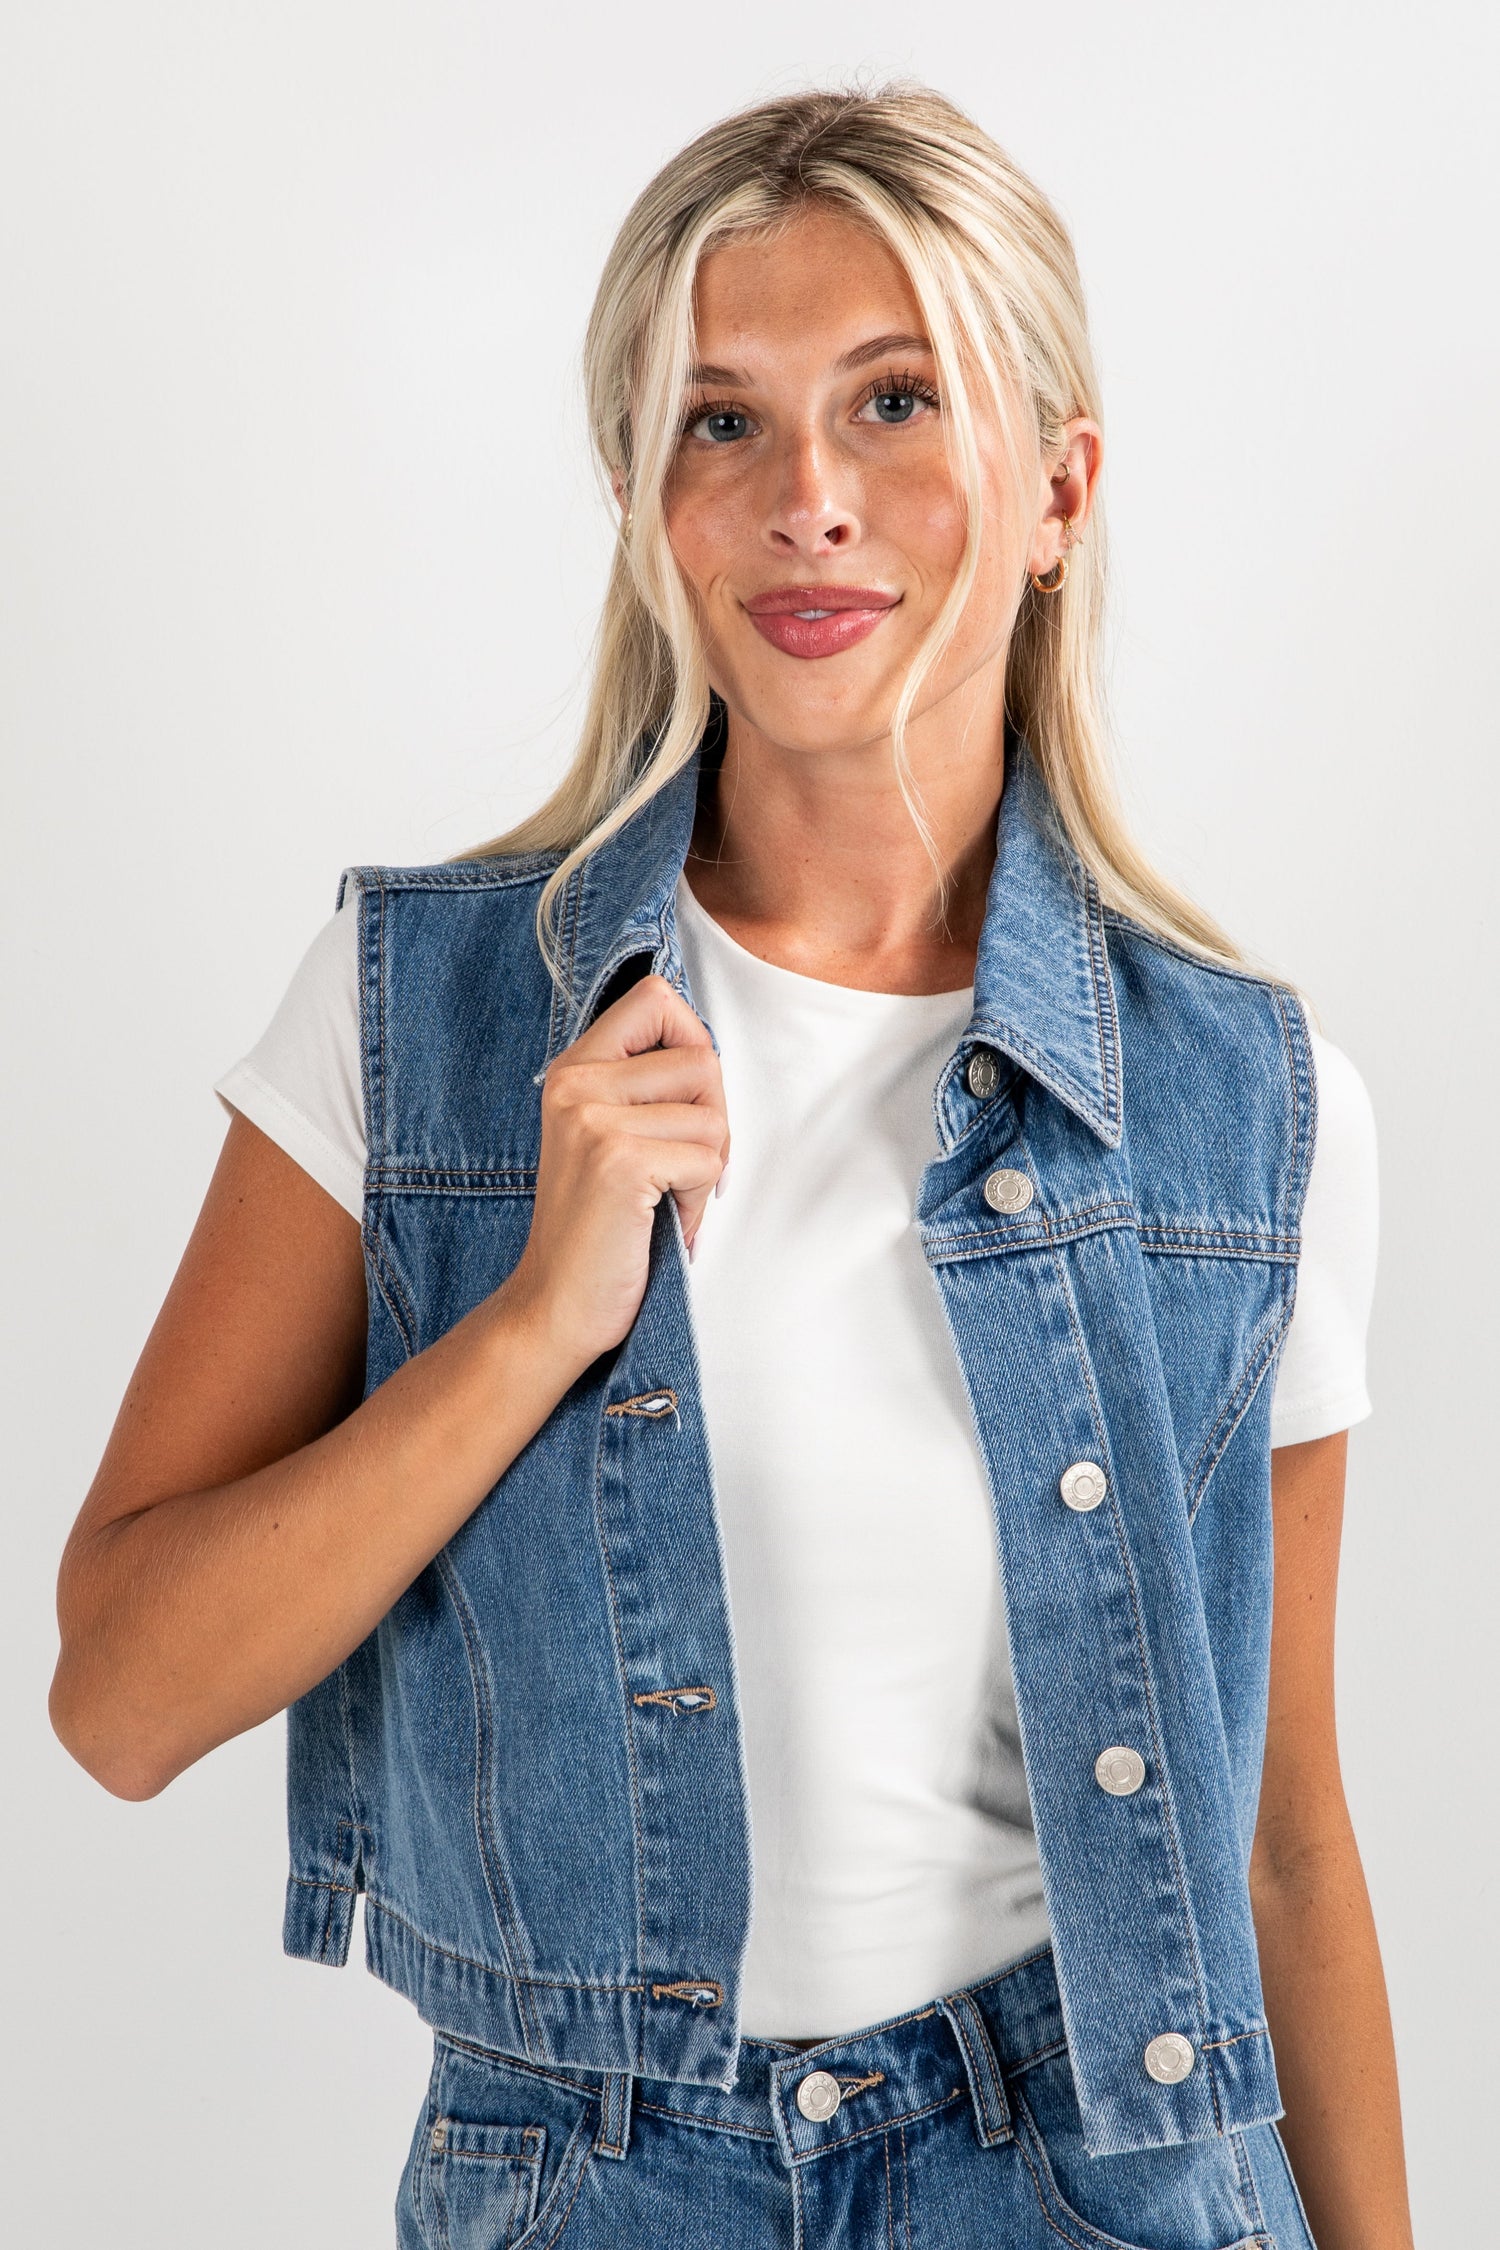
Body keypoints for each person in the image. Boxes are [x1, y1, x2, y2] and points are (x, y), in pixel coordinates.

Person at [50, 85, 1412, 2250]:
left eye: (897, 401)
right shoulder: (413, 1020)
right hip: (586, 2184)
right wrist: (531, 1325)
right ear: (635, 497)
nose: (809, 505)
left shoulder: (1259, 1109)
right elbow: (117, 1700)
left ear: (1058, 487)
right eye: (718, 424)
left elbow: (1285, 1850)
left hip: (1088, 2182)